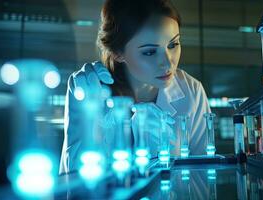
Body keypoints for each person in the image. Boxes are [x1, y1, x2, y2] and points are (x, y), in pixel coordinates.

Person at [59, 0, 211, 174]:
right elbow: (73, 175)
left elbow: (204, 177)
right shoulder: (87, 88)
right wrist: (95, 121)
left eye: (173, 45)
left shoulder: (191, 91)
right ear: (118, 53)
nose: (168, 62)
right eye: (149, 52)